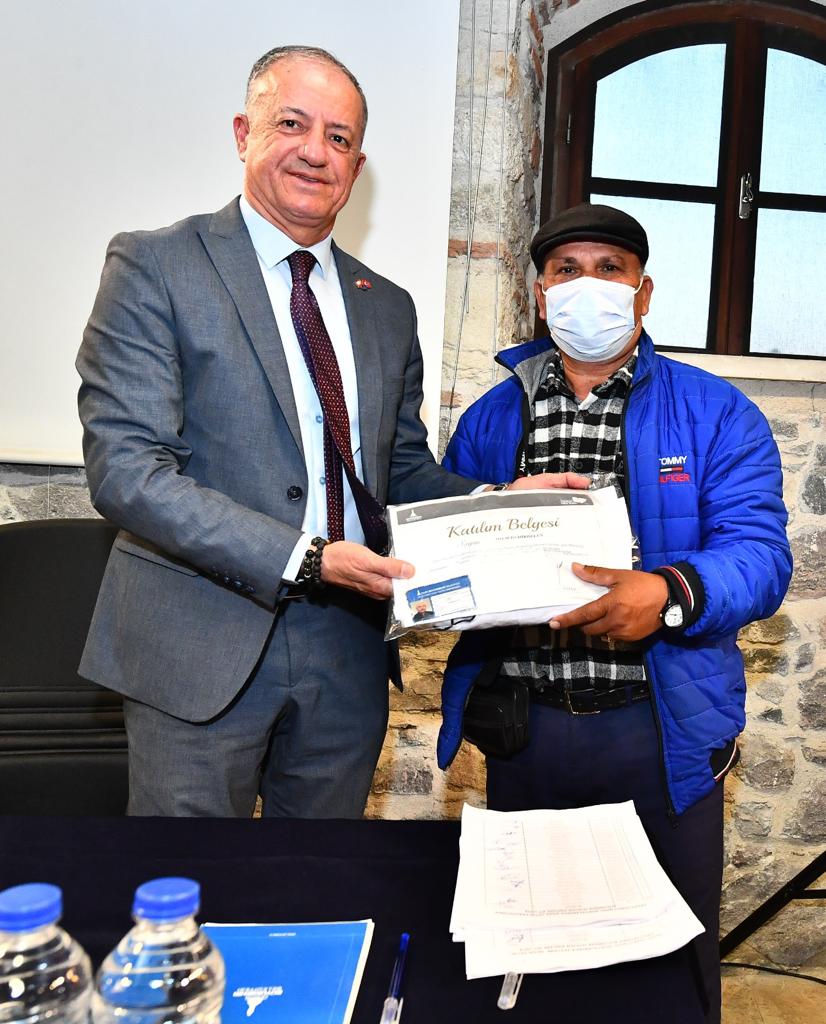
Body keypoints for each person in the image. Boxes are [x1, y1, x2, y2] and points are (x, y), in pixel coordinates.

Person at [76, 45, 565, 821]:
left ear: (357, 165)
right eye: (292, 124)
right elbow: (129, 473)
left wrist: (498, 506)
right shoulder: (156, 266)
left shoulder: (386, 306)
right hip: (198, 642)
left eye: (339, 138)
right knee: (191, 879)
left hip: (347, 651)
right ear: (244, 133)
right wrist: (304, 558)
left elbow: (398, 472)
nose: (315, 151)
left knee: (320, 877)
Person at [437, 203, 792, 1023]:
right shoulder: (491, 417)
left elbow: (760, 557)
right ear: (540, 294)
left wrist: (667, 593)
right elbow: (451, 544)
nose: (586, 286)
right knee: (529, 958)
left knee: (668, 969)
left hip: (660, 730)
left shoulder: (715, 412)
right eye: (566, 271)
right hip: (525, 731)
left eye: (609, 269)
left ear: (643, 291)